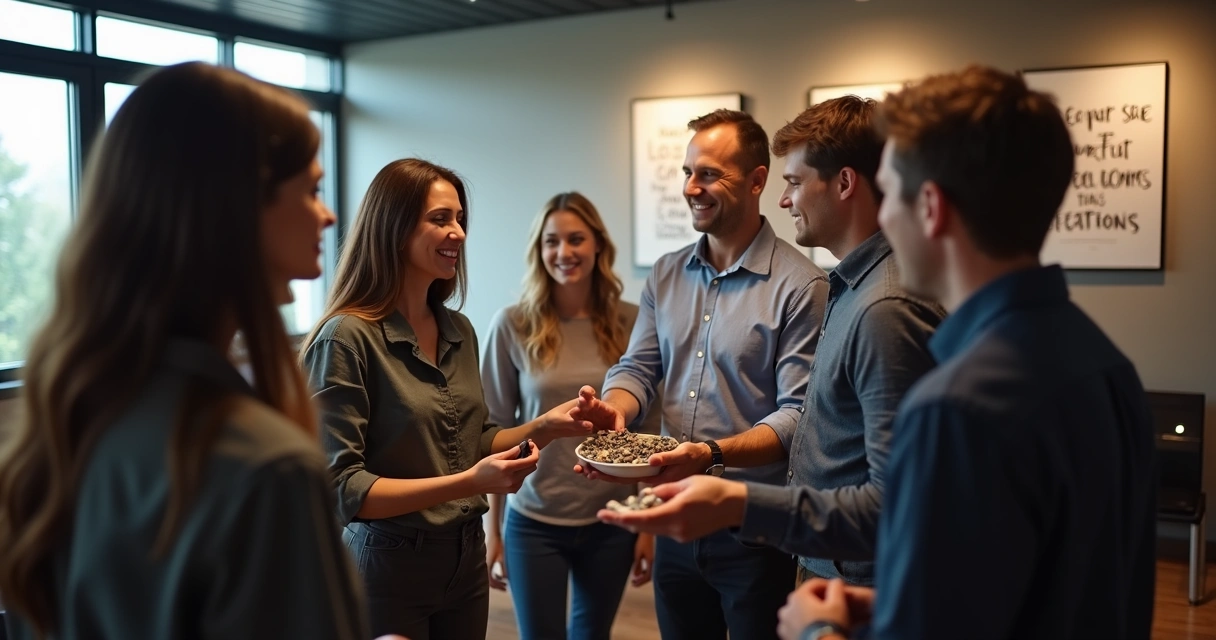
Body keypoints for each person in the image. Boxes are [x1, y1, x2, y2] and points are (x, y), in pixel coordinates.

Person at [781, 65, 1157, 640]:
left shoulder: (957, 405)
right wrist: (885, 608)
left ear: (930, 208)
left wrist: (817, 629)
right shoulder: (1105, 360)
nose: (885, 215)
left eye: (893, 192)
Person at [0, 62, 370, 639]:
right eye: (312, 190)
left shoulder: (70, 428)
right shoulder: (265, 467)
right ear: (236, 208)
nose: (328, 216)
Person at [597, 97, 944, 590]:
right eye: (688, 173)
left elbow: (894, 499)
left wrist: (732, 489)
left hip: (844, 573)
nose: (786, 200)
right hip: (821, 555)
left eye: (795, 182)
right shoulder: (852, 287)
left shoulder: (878, 304)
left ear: (844, 183)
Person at [301, 159, 595, 639]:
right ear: (394, 229)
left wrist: (545, 427)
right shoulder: (346, 338)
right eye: (440, 219)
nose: (458, 232)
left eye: (460, 219)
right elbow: (343, 490)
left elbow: (470, 440)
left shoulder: (458, 329)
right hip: (389, 565)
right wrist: (469, 482)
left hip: (464, 559)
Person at [574, 109, 828, 640]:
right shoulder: (665, 274)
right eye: (688, 172)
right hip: (674, 514)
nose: (692, 187)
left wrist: (711, 454)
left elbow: (797, 417)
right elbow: (639, 368)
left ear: (757, 181)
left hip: (753, 529)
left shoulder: (802, 286)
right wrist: (613, 409)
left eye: (710, 174)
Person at [482, 192, 661, 640]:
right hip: (533, 520)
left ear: (598, 244)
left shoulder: (633, 321)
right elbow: (493, 433)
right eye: (552, 241)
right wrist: (493, 532)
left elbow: (649, 429)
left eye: (576, 239)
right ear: (539, 250)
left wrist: (648, 526)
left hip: (612, 518)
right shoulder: (511, 325)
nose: (564, 252)